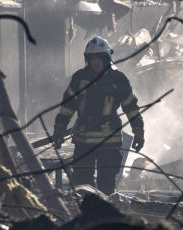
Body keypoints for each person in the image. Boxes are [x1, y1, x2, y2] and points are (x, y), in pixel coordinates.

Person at [52, 36, 144, 195]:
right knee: (82, 186)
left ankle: (105, 215)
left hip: (109, 141)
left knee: (106, 185)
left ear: (107, 58)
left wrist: (138, 131)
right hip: (83, 139)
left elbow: (131, 107)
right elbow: (67, 107)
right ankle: (85, 216)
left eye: (100, 58)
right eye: (92, 58)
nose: (96, 62)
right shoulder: (79, 78)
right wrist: (59, 128)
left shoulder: (118, 79)